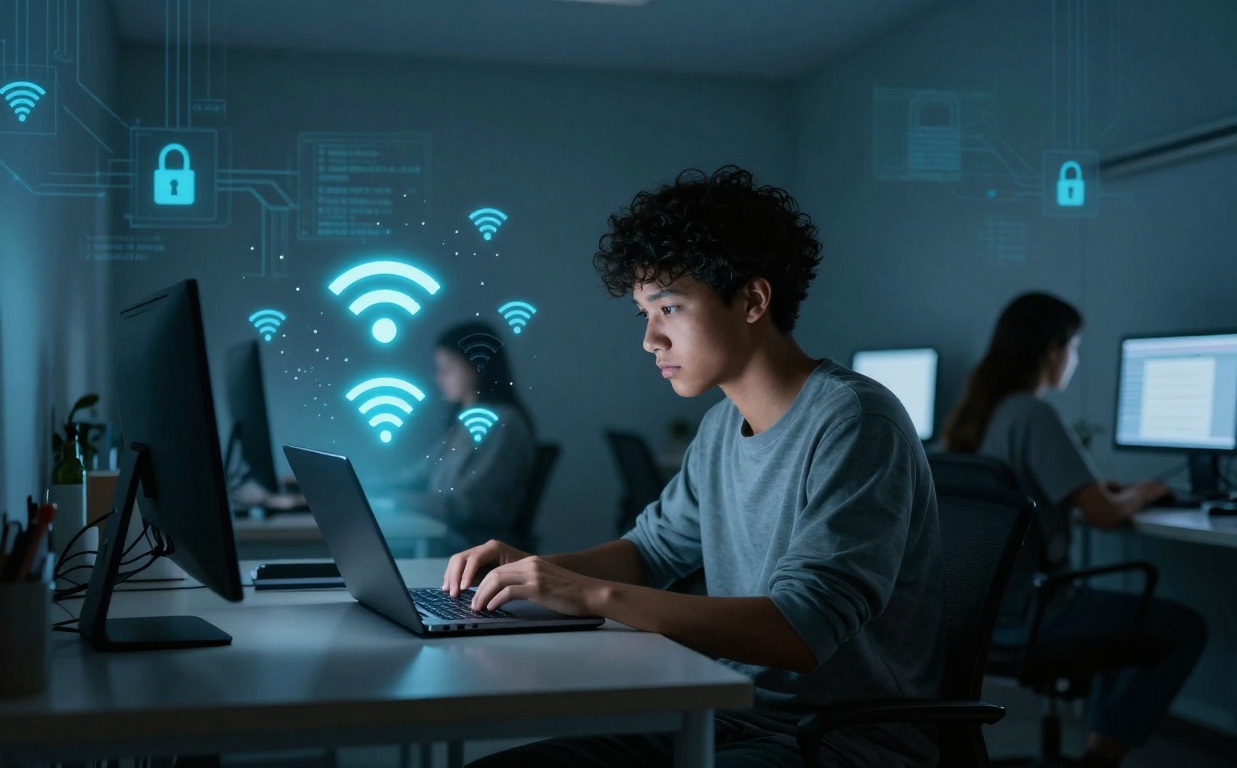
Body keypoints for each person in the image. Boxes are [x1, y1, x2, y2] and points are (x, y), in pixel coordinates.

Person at [445, 166, 945, 767]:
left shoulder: (856, 421)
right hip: (728, 714)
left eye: (671, 308)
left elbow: (800, 628)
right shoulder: (718, 427)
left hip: (838, 741)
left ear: (753, 300)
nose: (651, 339)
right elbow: (650, 554)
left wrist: (591, 595)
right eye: (644, 315)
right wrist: (532, 569)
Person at [941, 291, 1207, 768]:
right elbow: (1105, 515)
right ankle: (1099, 759)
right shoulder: (1032, 413)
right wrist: (1140, 494)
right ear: (1053, 349)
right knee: (1185, 628)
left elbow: (1022, 490)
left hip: (982, 617)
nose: (1076, 358)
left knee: (1122, 623)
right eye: (1076, 346)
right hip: (1038, 614)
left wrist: (1092, 489)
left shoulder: (978, 415)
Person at [381, 320, 538, 552]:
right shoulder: (463, 423)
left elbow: (471, 506)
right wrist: (366, 489)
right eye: (438, 368)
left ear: (479, 366)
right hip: (444, 539)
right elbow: (417, 475)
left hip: (470, 549)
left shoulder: (503, 423)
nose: (439, 377)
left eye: (449, 367)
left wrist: (393, 501)